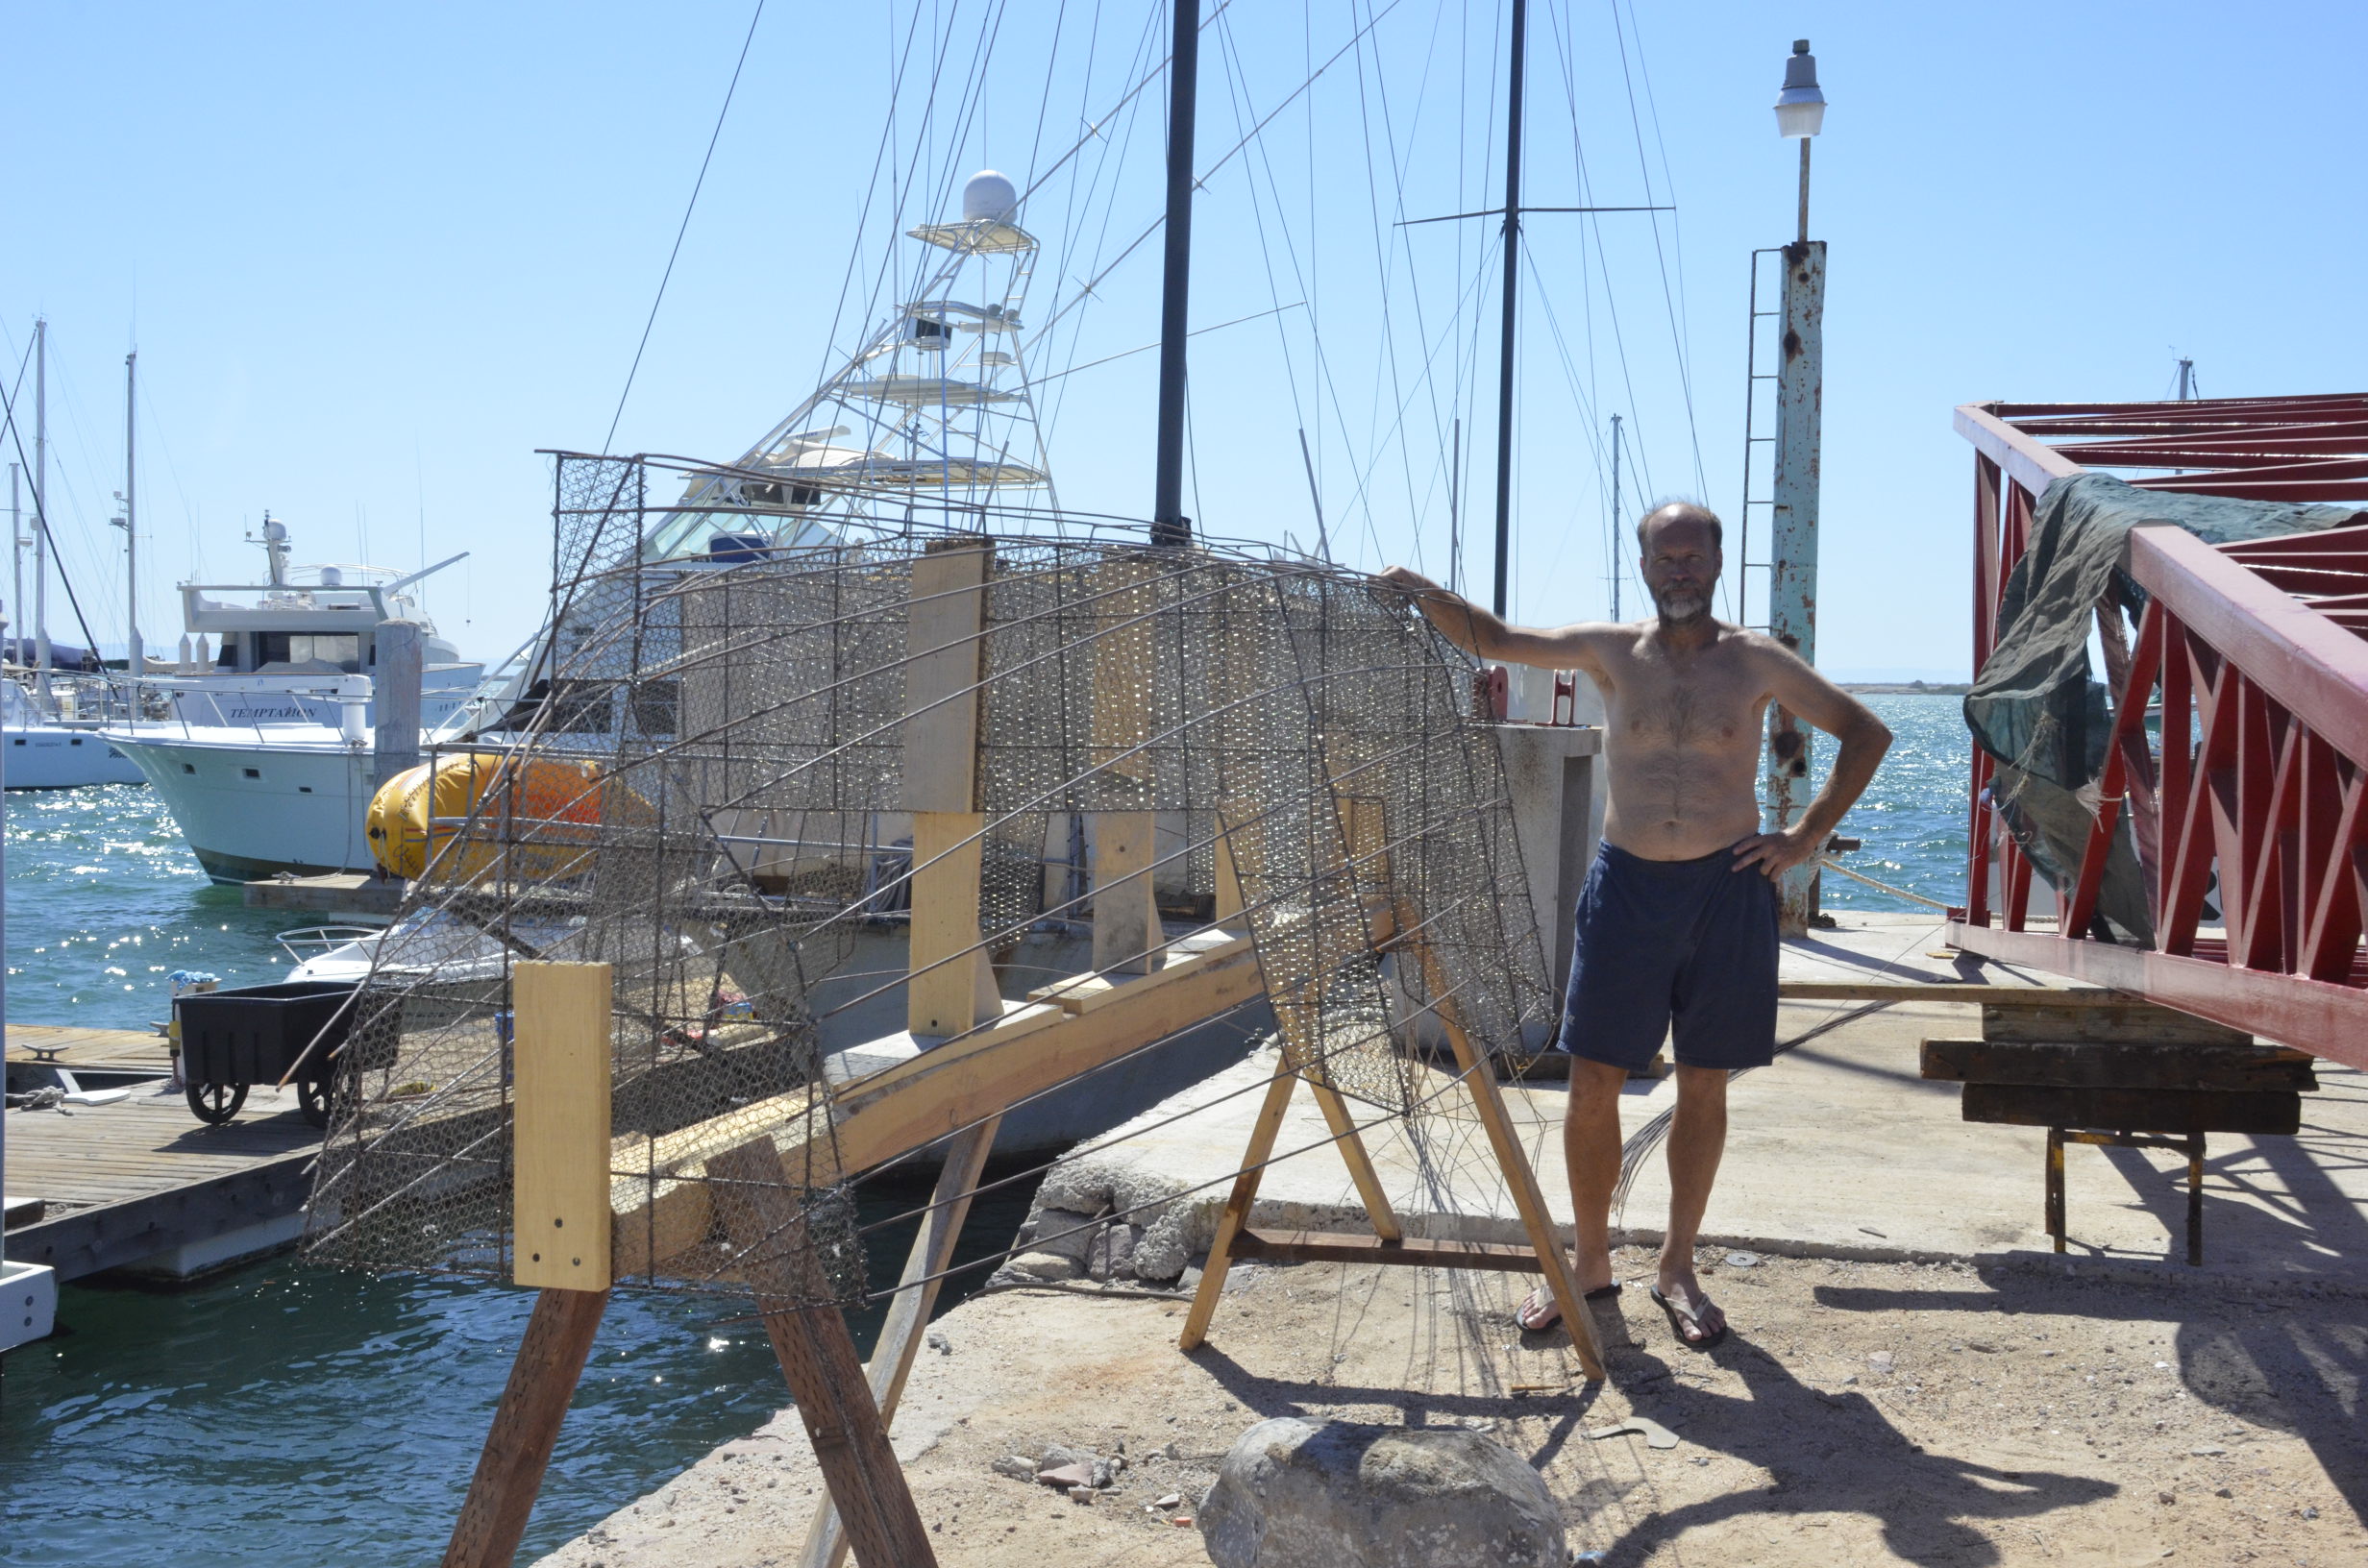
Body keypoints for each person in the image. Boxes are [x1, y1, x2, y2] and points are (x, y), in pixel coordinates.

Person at [1377, 502, 1890, 1350]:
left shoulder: (1758, 660)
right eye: (1666, 556)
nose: (1680, 569)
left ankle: (1677, 1265)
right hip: (1627, 890)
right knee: (1592, 1084)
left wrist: (1804, 837)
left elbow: (1864, 734)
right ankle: (1588, 1263)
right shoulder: (1610, 651)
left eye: (1694, 556)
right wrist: (1424, 590)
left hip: (1727, 892)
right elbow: (1497, 639)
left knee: (1703, 1083)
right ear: (1645, 565)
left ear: (1718, 563)